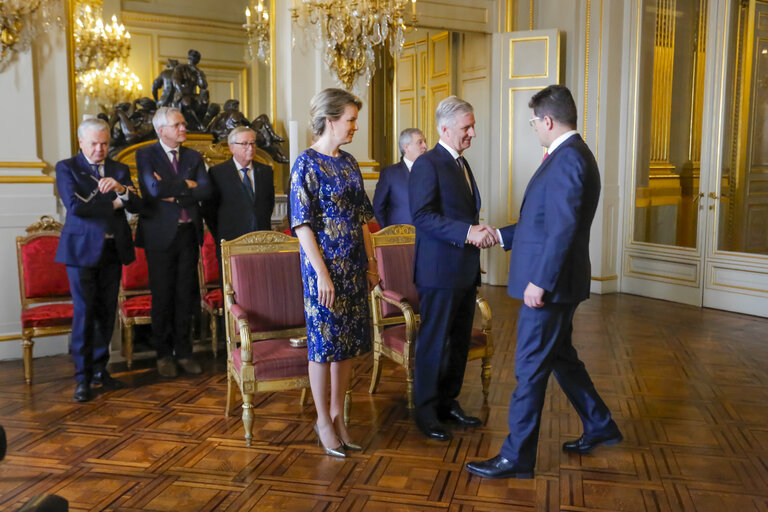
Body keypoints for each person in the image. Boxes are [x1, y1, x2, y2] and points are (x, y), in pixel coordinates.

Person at [465, 85, 622, 480]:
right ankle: (600, 423)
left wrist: (540, 281)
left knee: (530, 367)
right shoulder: (571, 156)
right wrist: (500, 235)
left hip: (549, 287)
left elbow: (562, 229)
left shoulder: (569, 160)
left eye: (534, 122)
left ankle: (517, 457)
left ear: (548, 121)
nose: (534, 128)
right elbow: (543, 223)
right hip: (557, 284)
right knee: (560, 357)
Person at [290, 88, 378, 458]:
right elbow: (302, 225)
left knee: (348, 346)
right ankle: (322, 420)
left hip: (354, 267)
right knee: (324, 346)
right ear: (330, 121)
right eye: (351, 119)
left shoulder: (350, 163)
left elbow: (363, 219)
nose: (355, 126)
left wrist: (372, 263)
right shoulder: (305, 164)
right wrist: (322, 274)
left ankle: (339, 415)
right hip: (321, 272)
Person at [409, 96, 498, 441]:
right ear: (445, 129)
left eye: (472, 125)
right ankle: (427, 413)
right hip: (438, 272)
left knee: (458, 341)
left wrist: (474, 232)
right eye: (467, 127)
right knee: (434, 342)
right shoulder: (427, 164)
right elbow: (422, 216)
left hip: (463, 269)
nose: (473, 132)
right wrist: (467, 232)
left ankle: (448, 402)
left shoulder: (461, 163)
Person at [55, 118, 140, 402]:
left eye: (104, 143)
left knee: (106, 313)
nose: (99, 149)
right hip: (80, 253)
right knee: (84, 314)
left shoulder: (119, 169)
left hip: (113, 251)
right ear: (81, 142)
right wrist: (117, 202)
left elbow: (138, 204)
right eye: (93, 143)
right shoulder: (67, 168)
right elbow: (76, 207)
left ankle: (102, 370)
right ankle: (83, 378)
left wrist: (121, 190)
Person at [135, 106, 211, 378]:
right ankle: (164, 355)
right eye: (178, 125)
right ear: (161, 130)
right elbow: (152, 189)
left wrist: (174, 189)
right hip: (159, 236)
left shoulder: (193, 155)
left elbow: (206, 189)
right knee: (163, 296)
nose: (184, 128)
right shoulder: (146, 154)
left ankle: (185, 353)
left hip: (188, 233)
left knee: (186, 296)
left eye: (183, 124)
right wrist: (187, 186)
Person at [203, 126, 275, 254]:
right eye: (244, 144)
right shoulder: (218, 173)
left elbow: (268, 204)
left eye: (253, 143)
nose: (250, 148)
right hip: (231, 241)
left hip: (261, 241)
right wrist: (220, 235)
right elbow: (209, 210)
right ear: (232, 147)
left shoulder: (266, 171)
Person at [372, 128, 427, 227]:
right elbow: (378, 207)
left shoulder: (432, 170)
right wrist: (387, 232)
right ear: (406, 147)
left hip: (428, 236)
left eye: (425, 142)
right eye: (420, 142)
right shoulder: (389, 174)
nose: (425, 146)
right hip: (399, 237)